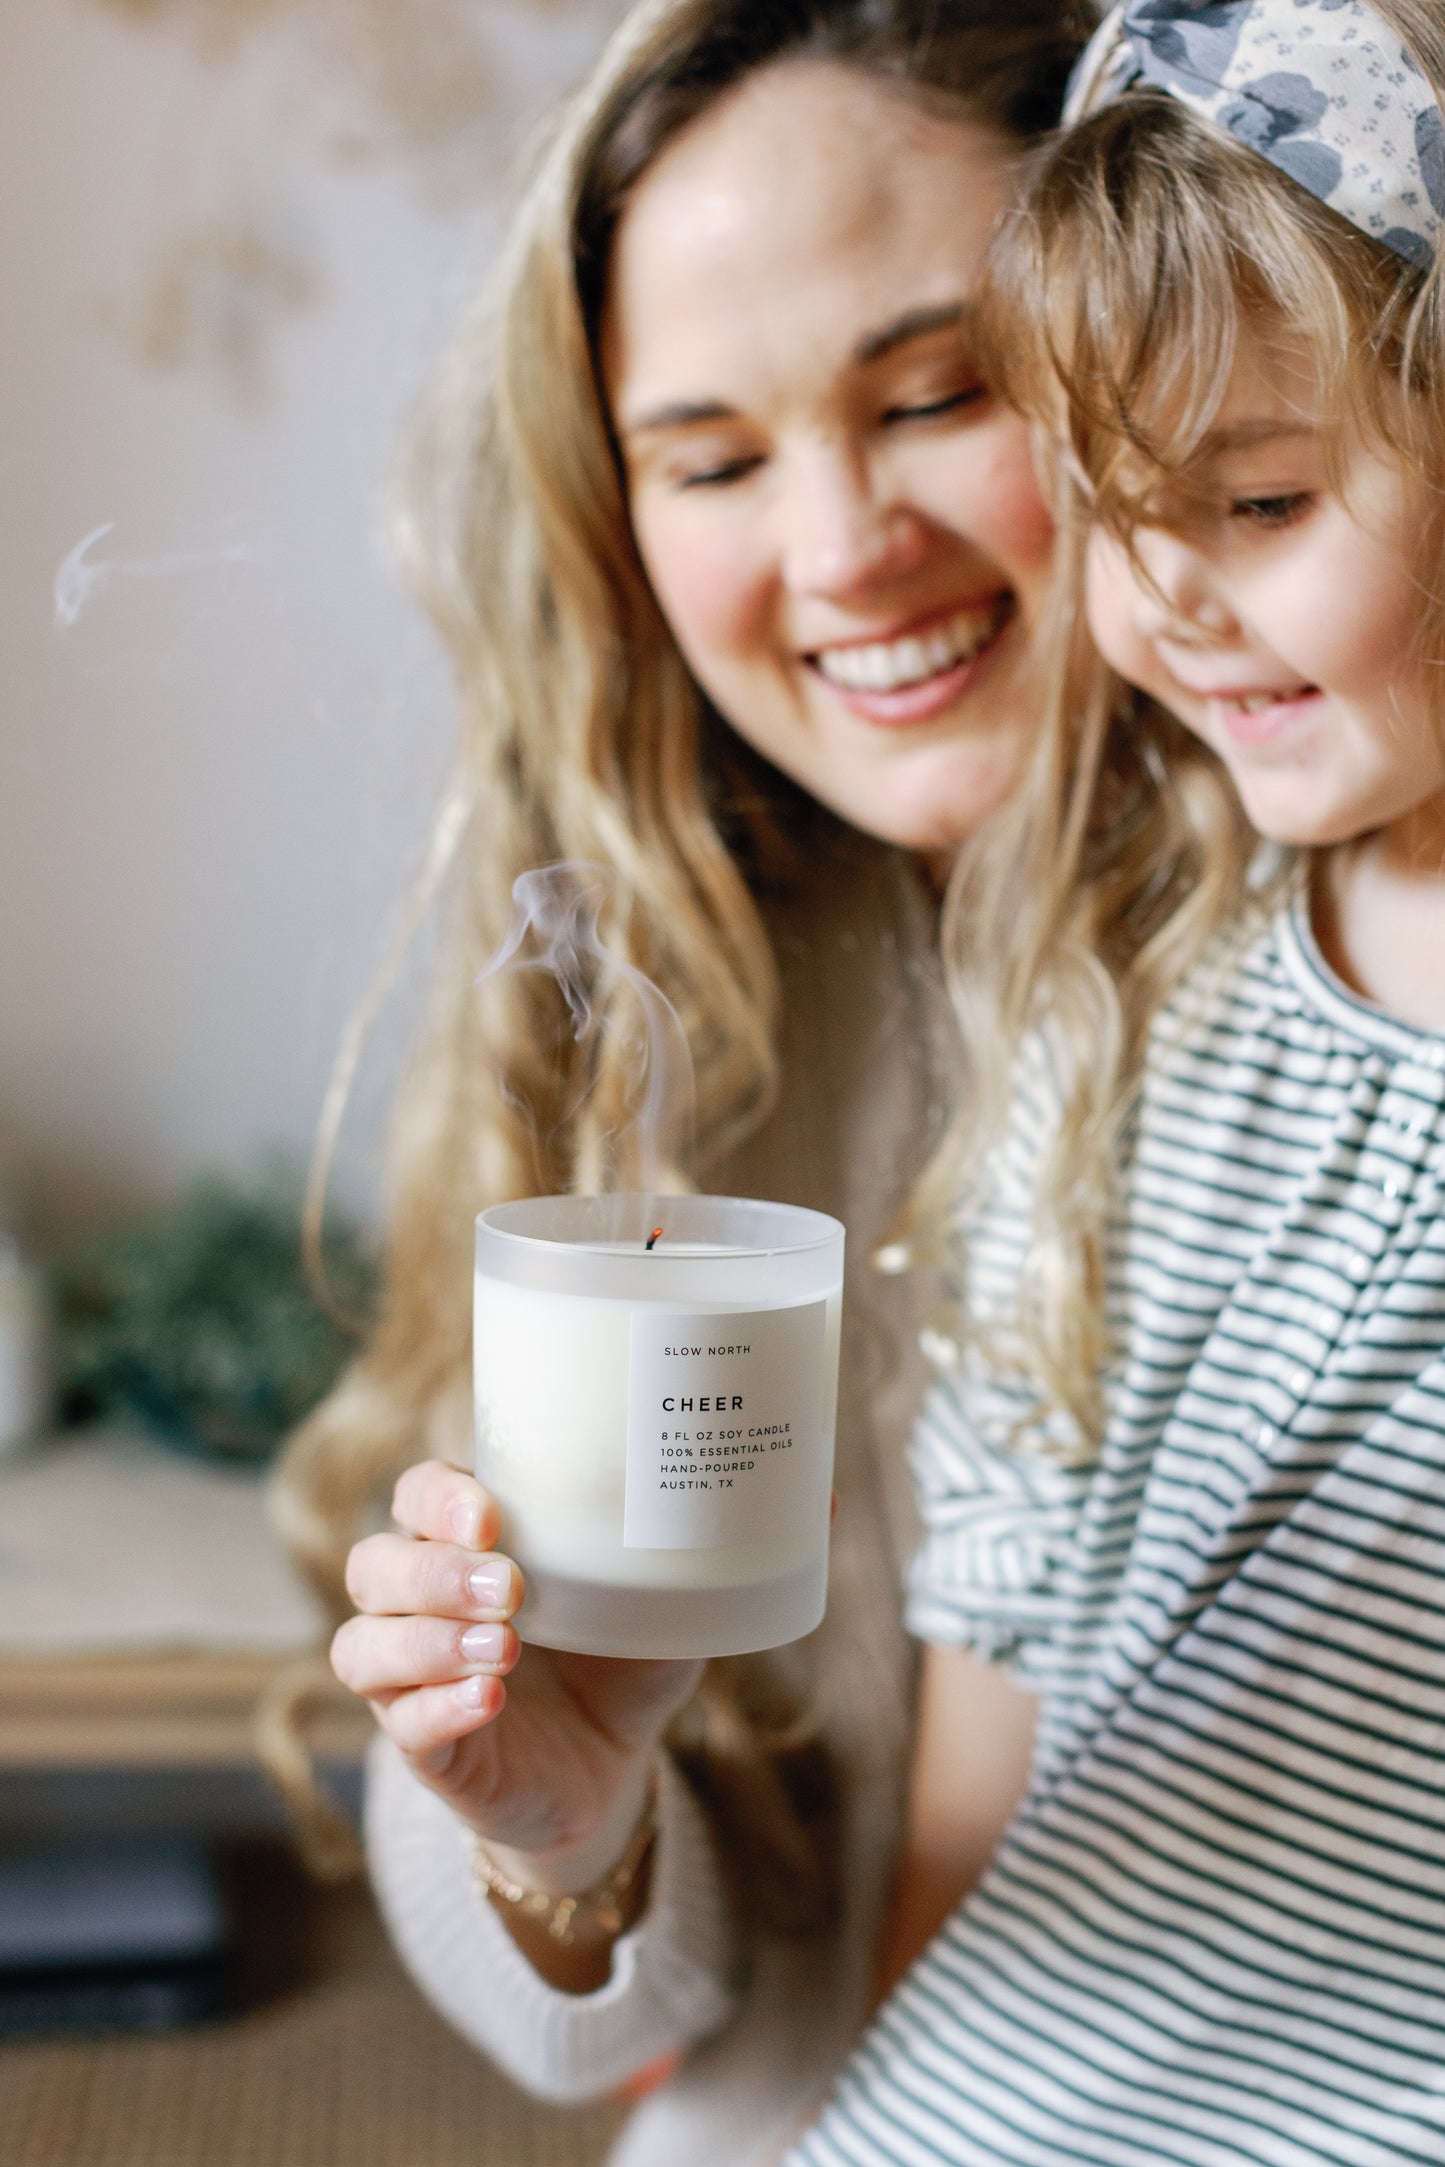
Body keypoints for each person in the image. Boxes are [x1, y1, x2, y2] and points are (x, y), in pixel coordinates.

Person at [272, 4, 1092, 2165]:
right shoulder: (690, 997)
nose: (840, 551)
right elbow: (592, 2024)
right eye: (715, 461)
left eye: (937, 397)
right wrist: (567, 1833)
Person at [785, 2, 1445, 2160]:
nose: (1165, 604)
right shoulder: (1122, 1020)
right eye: (1111, 507)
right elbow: (989, 1761)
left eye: (1259, 498)